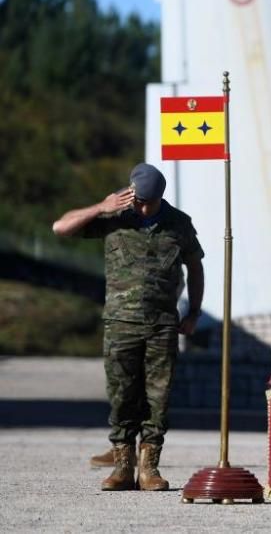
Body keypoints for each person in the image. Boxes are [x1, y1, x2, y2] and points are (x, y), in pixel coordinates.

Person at [52, 163, 204, 491]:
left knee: (158, 399)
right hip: (120, 322)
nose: (140, 207)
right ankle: (123, 465)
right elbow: (60, 228)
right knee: (122, 396)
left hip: (162, 325)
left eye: (147, 202)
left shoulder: (178, 224)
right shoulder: (115, 216)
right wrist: (101, 207)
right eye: (137, 199)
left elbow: (195, 267)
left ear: (160, 198)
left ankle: (149, 468)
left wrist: (193, 312)